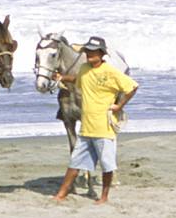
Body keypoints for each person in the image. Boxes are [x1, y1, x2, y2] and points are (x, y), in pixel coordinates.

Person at [51, 36, 137, 204]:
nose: (89, 54)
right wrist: (62, 77)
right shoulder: (84, 68)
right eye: (88, 51)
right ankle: (61, 194)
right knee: (74, 163)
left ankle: (104, 197)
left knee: (106, 166)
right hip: (86, 128)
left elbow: (132, 87)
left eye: (93, 51)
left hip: (104, 128)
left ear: (101, 54)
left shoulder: (110, 71)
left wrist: (119, 106)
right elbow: (77, 79)